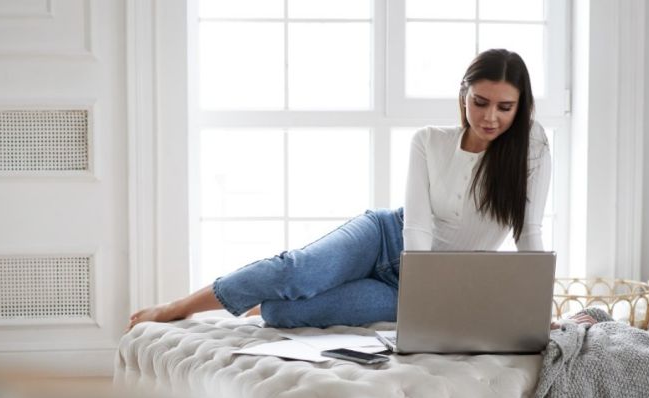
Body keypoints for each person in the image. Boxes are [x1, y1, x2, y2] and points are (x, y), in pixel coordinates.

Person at [128, 48, 551, 330]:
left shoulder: (532, 148)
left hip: (420, 288)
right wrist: (423, 288)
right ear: (463, 97)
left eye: (504, 107)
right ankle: (177, 308)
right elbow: (417, 229)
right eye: (480, 102)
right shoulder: (428, 141)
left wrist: (533, 310)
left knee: (289, 313)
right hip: (385, 239)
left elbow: (529, 232)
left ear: (520, 106)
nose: (490, 116)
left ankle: (261, 301)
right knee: (296, 272)